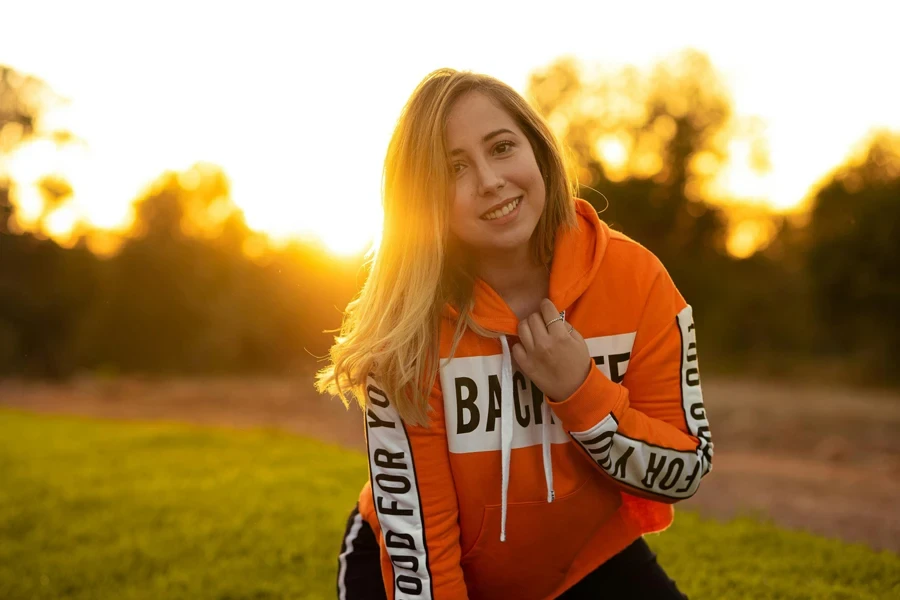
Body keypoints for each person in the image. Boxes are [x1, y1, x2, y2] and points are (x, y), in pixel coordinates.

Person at [315, 67, 713, 600]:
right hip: (421, 569)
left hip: (585, 560)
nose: (489, 180)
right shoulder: (404, 327)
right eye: (454, 168)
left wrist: (581, 393)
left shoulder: (636, 279)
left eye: (502, 147)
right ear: (423, 198)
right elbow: (425, 552)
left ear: (538, 149)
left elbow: (684, 469)